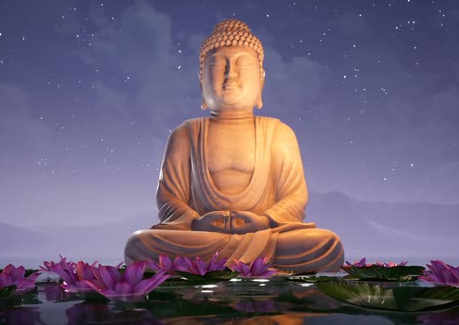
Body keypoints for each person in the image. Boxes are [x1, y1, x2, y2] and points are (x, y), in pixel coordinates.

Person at [124, 19, 344, 273]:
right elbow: (168, 197)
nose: (231, 75)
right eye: (218, 66)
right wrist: (196, 222)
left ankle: (217, 264)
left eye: (243, 65)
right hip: (201, 236)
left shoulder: (279, 134)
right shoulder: (185, 134)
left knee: (326, 244)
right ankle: (249, 264)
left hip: (265, 235)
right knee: (139, 244)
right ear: (201, 82)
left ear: (261, 80)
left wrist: (265, 220)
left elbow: (295, 197)